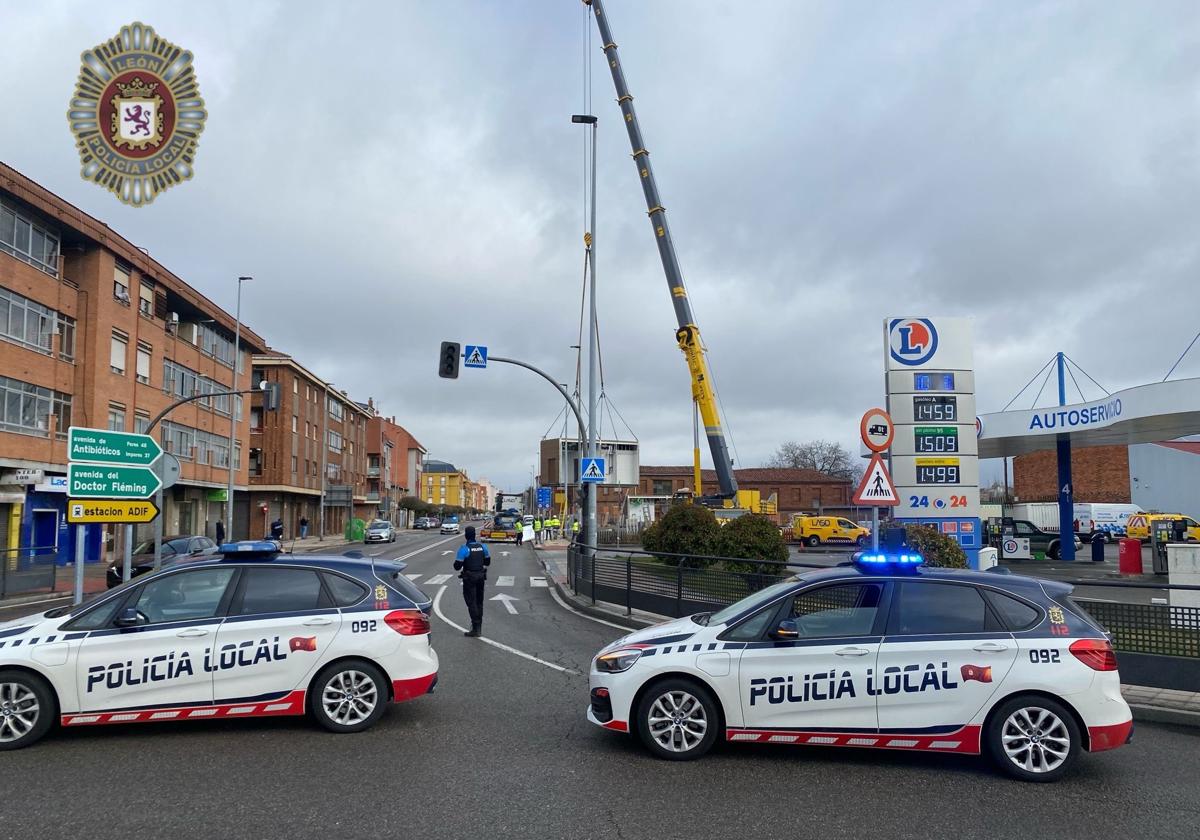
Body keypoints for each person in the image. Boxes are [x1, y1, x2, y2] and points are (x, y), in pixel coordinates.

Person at [453, 526, 491, 637]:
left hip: (469, 578)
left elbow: (457, 566)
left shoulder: (464, 548)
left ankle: (475, 628)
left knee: (471, 602)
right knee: (479, 602)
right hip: (481, 577)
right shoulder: (482, 546)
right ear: (475, 535)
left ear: (466, 536)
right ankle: (479, 627)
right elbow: (487, 562)